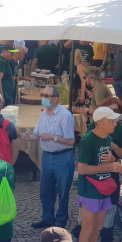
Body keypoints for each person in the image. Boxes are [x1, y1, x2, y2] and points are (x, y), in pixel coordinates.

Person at [76, 107, 122, 242]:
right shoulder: (88, 140)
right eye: (111, 121)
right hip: (90, 191)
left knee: (97, 227)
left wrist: (113, 161)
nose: (115, 123)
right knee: (88, 228)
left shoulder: (107, 138)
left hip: (104, 189)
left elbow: (109, 159)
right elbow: (81, 169)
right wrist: (109, 167)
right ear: (100, 122)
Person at [19, 85, 76, 229]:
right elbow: (37, 135)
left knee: (63, 192)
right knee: (45, 191)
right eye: (43, 95)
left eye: (46, 96)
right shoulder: (44, 114)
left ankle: (61, 221)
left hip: (63, 157)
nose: (43, 98)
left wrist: (53, 137)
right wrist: (28, 137)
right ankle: (48, 218)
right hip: (47, 157)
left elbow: (71, 141)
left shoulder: (65, 116)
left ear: (55, 99)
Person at [87, 98, 122, 242]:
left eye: (115, 111)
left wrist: (112, 147)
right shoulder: (94, 126)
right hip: (94, 173)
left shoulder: (120, 130)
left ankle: (106, 240)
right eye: (109, 110)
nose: (113, 115)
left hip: (111, 175)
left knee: (109, 208)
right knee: (90, 207)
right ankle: (84, 235)